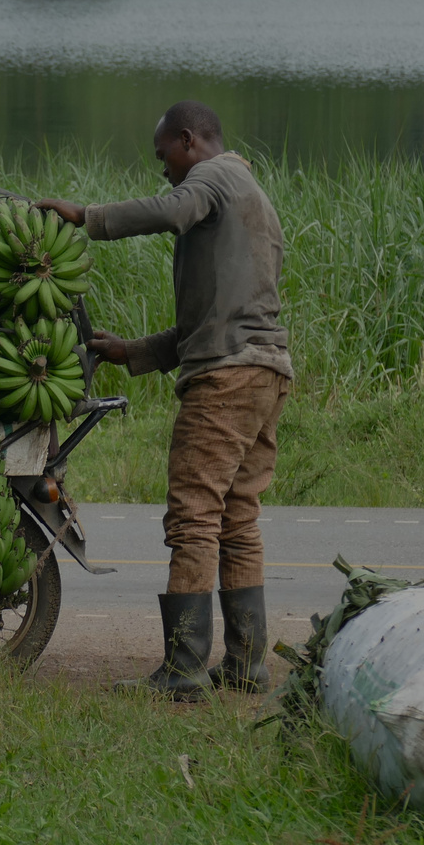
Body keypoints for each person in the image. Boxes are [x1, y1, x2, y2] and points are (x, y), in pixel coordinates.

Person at [37, 100, 291, 699]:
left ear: (188, 140)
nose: (165, 172)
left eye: (165, 157)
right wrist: (135, 352)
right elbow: (213, 320)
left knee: (194, 514)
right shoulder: (251, 195)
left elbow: (172, 208)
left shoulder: (215, 177)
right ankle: (247, 661)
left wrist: (85, 215)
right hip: (267, 371)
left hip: (226, 380)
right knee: (237, 514)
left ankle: (183, 669)